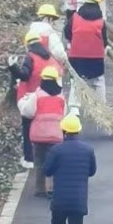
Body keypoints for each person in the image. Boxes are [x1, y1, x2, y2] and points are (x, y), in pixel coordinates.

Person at [13, 27, 61, 167]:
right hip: (49, 97)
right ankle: (50, 156)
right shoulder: (50, 57)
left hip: (30, 97)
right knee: (49, 127)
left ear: (28, 44)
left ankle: (29, 159)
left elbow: (25, 75)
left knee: (27, 128)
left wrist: (13, 67)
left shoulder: (30, 57)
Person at [19, 64, 68, 196]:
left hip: (39, 135)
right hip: (57, 135)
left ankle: (40, 189)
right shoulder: (61, 97)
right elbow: (64, 114)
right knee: (55, 162)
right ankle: (53, 188)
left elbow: (27, 112)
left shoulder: (37, 95)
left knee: (40, 161)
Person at [65, 0, 108, 100]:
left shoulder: (74, 18)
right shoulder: (100, 22)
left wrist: (72, 42)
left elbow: (67, 32)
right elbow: (105, 41)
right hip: (95, 58)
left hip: (76, 56)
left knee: (77, 82)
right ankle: (102, 106)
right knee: (98, 81)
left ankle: (74, 107)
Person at [29, 2, 70, 73]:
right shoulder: (49, 33)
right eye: (53, 20)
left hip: (33, 69)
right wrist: (65, 59)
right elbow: (59, 53)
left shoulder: (31, 32)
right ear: (49, 18)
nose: (53, 23)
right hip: (50, 70)